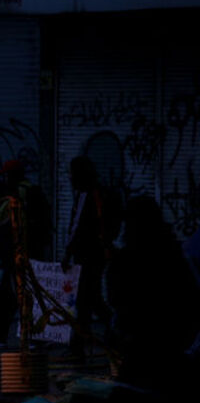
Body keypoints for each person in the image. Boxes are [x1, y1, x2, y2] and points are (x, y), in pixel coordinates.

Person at [104, 196, 200, 403]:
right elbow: (190, 311)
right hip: (169, 365)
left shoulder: (127, 261)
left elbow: (118, 309)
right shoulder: (174, 258)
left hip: (140, 369)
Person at [61, 155, 120, 362]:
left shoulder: (87, 195)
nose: (68, 177)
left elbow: (76, 227)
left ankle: (80, 346)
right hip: (96, 254)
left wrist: (67, 253)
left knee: (86, 300)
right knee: (90, 299)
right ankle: (85, 343)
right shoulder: (100, 192)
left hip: (87, 255)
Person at [0, 159, 52, 345]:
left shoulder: (14, 197)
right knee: (20, 294)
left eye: (7, 175)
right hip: (31, 253)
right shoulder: (34, 192)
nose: (5, 179)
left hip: (18, 254)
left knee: (16, 295)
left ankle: (27, 335)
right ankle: (11, 333)